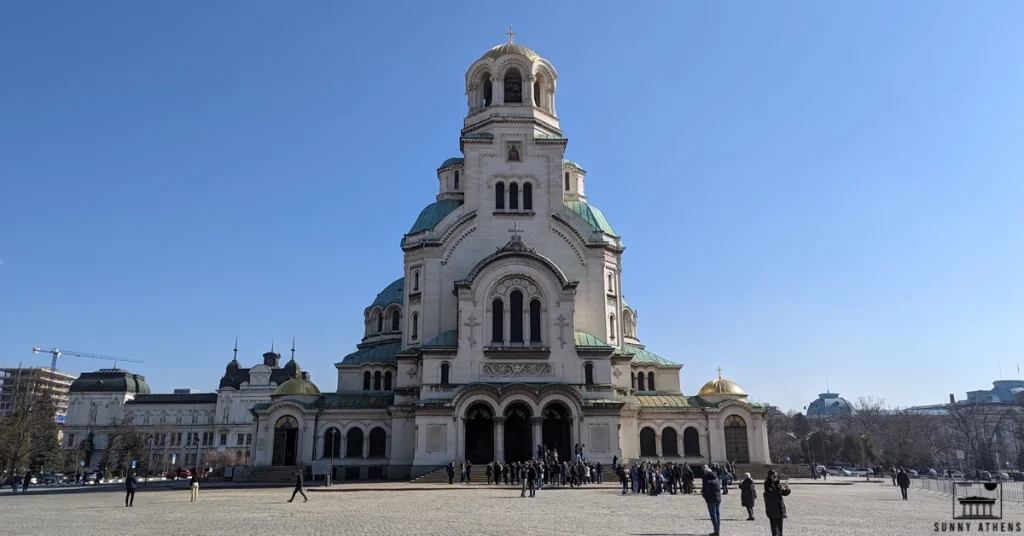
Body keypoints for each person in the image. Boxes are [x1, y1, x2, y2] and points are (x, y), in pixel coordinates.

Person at [764, 470, 791, 536]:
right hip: (772, 509)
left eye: (776, 476)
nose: (775, 477)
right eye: (774, 476)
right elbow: (771, 493)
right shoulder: (767, 484)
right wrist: (780, 489)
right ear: (770, 476)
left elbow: (783, 493)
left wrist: (787, 489)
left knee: (780, 529)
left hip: (780, 508)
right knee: (775, 530)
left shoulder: (777, 483)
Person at [702, 466, 723, 536]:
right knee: (717, 515)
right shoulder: (716, 478)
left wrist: (705, 497)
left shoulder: (707, 480)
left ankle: (716, 531)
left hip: (711, 500)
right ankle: (718, 530)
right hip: (718, 498)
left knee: (713, 515)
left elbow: (705, 490)